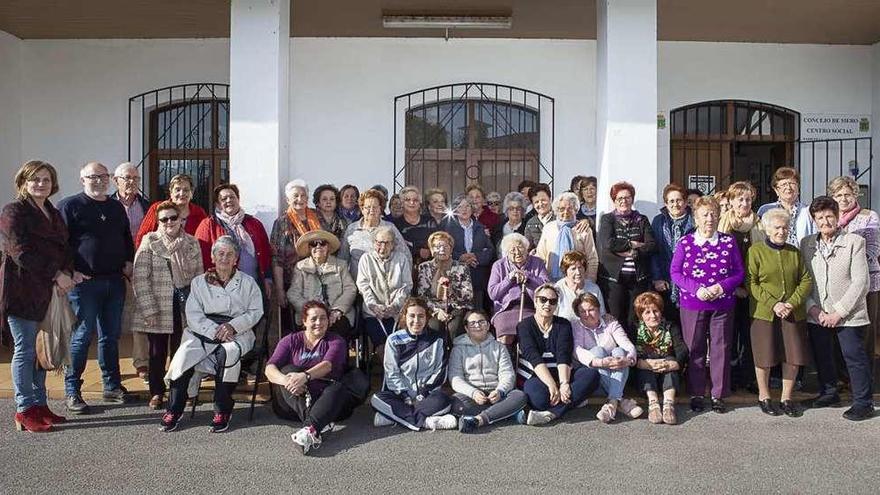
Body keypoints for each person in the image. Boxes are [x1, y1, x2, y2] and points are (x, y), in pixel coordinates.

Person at [160, 236, 264, 433]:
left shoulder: (248, 282)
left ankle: (222, 409)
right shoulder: (199, 282)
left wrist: (232, 327)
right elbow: (193, 314)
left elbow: (255, 312)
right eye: (220, 253)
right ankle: (174, 409)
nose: (224, 258)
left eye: (229, 254)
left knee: (228, 353)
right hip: (203, 330)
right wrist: (214, 331)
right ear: (212, 257)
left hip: (237, 332)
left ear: (236, 259)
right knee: (182, 357)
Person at [1, 160, 75, 431]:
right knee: (25, 350)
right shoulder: (14, 212)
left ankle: (40, 405)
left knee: (40, 351)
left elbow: (65, 247)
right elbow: (19, 252)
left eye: (45, 179)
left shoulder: (53, 213)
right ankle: (24, 409)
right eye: (35, 179)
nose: (41, 184)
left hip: (47, 291)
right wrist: (57, 274)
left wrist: (67, 272)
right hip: (21, 291)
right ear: (23, 182)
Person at [58, 162, 135, 414]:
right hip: (84, 284)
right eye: (93, 177)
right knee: (81, 337)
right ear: (82, 180)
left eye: (103, 176)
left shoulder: (114, 207)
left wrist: (127, 260)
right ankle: (72, 390)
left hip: (114, 281)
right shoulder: (70, 206)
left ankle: (111, 385)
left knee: (110, 336)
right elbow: (59, 245)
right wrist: (70, 271)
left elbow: (125, 237)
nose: (100, 180)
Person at [670, 196, 745, 413]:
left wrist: (721, 288)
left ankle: (718, 395)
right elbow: (675, 272)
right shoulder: (685, 242)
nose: (709, 219)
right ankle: (696, 393)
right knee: (695, 348)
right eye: (705, 214)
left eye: (713, 214)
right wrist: (697, 289)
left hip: (722, 303)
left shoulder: (728, 241)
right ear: (696, 218)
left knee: (721, 348)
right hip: (693, 304)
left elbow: (739, 272)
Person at [802, 196, 875, 421]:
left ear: (837, 217)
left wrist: (839, 312)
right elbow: (803, 279)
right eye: (820, 217)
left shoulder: (854, 241)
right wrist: (813, 309)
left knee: (853, 357)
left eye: (829, 216)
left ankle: (864, 402)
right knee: (823, 356)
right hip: (818, 313)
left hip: (849, 314)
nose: (825, 221)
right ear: (814, 220)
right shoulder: (807, 243)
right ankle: (829, 393)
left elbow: (861, 282)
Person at [266, 301, 367, 455]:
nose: (318, 323)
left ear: (328, 321)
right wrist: (287, 380)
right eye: (313, 319)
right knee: (287, 370)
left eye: (323, 318)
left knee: (339, 387)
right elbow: (270, 368)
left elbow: (327, 365)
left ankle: (309, 429)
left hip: (329, 402)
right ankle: (317, 425)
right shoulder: (290, 340)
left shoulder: (336, 341)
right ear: (304, 321)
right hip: (295, 403)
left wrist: (305, 376)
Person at [132, 201, 204, 410]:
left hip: (184, 304)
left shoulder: (192, 243)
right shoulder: (149, 241)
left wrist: (198, 307)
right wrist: (149, 308)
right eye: (164, 219)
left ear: (181, 219)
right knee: (157, 353)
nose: (169, 222)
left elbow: (198, 277)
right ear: (158, 222)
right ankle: (156, 392)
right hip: (158, 305)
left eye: (173, 217)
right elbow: (140, 278)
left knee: (182, 351)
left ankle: (178, 390)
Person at [746, 208, 812, 417]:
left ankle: (786, 398)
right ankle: (764, 396)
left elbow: (805, 280)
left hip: (793, 312)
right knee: (764, 356)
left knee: (791, 356)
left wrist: (791, 303)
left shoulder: (794, 252)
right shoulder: (755, 251)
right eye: (777, 227)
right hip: (764, 312)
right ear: (767, 229)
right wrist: (774, 304)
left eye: (785, 227)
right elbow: (751, 283)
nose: (782, 231)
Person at [516, 284, 599, 426]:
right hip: (535, 376)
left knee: (591, 375)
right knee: (540, 399)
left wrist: (564, 384)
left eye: (552, 301)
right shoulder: (524, 325)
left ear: (556, 305)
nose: (547, 304)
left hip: (561, 375)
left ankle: (553, 413)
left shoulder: (563, 324)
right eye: (543, 300)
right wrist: (551, 385)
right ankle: (572, 400)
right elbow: (533, 357)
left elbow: (563, 355)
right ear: (535, 301)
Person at [371, 297, 456, 431]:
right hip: (401, 397)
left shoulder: (438, 339)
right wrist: (405, 396)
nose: (416, 321)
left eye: (421, 316)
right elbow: (391, 373)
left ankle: (393, 417)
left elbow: (440, 372)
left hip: (428, 396)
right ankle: (426, 422)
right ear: (405, 316)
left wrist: (423, 393)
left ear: (427, 318)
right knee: (376, 398)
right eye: (412, 316)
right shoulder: (394, 340)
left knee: (443, 400)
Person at [828, 175, 880, 365]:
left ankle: (864, 375)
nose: (843, 199)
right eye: (839, 195)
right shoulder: (829, 217)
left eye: (848, 194)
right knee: (840, 329)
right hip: (838, 283)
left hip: (867, 282)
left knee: (865, 330)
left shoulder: (868, 216)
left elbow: (873, 249)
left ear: (855, 194)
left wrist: (846, 262)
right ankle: (843, 376)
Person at [718, 181, 765, 392]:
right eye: (739, 199)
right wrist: (733, 287)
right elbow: (718, 261)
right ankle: (730, 377)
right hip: (728, 288)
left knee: (750, 335)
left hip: (753, 288)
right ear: (732, 201)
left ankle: (749, 377)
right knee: (728, 334)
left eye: (747, 199)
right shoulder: (722, 224)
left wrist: (749, 287)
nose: (744, 203)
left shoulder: (760, 224)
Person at [449, 310, 528, 433]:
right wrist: (473, 392)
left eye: (481, 322)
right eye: (472, 323)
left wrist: (500, 391)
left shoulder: (499, 347)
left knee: (519, 396)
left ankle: (479, 419)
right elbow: (455, 378)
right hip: (472, 396)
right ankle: (507, 414)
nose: (477, 325)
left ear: (488, 325)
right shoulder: (458, 349)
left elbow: (507, 373)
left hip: (496, 394)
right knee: (456, 403)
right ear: (466, 328)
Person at [571, 293, 642, 423]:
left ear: (599, 309)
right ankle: (619, 400)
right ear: (578, 313)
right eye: (582, 311)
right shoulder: (576, 326)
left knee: (620, 351)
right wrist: (599, 362)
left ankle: (612, 403)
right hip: (592, 377)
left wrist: (628, 359)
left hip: (613, 373)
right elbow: (577, 350)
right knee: (598, 350)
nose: (587, 314)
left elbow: (627, 344)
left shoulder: (610, 322)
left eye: (591, 309)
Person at [111, 162, 152, 382]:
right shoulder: (105, 205)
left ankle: (141, 363)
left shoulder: (148, 206)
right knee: (111, 320)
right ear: (115, 181)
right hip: (111, 269)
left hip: (140, 268)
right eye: (127, 178)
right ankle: (111, 368)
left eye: (135, 178)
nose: (132, 182)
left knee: (139, 317)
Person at [597, 181, 655, 332]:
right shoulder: (607, 219)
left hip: (638, 279)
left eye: (627, 197)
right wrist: (633, 244)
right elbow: (608, 243)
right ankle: (618, 353)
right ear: (614, 200)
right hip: (614, 280)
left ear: (632, 199)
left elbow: (651, 245)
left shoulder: (642, 220)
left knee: (634, 318)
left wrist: (633, 252)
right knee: (615, 318)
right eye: (619, 198)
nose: (624, 201)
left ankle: (633, 353)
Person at [194, 184, 271, 292]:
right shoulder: (208, 225)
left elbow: (265, 251)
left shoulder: (254, 223)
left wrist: (268, 279)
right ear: (218, 204)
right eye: (224, 199)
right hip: (222, 287)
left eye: (232, 197)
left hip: (254, 285)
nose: (229, 200)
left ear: (238, 199)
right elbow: (201, 257)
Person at [269, 180, 321, 334]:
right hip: (291, 282)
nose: (300, 199)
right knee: (294, 327)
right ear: (287, 200)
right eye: (295, 196)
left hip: (317, 280)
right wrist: (279, 289)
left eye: (303, 195)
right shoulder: (281, 223)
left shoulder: (317, 217)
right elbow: (276, 258)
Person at [487, 233, 549, 358]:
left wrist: (529, 277)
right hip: (506, 310)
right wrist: (508, 280)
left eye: (520, 247)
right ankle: (506, 365)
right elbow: (493, 293)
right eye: (512, 250)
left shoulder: (537, 263)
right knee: (505, 335)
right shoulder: (499, 265)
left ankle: (530, 368)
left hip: (531, 308)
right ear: (506, 253)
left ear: (527, 248)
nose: (517, 252)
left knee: (530, 336)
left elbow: (546, 287)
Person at [288, 230, 356, 341]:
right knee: (311, 330)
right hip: (310, 315)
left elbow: (350, 289)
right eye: (314, 244)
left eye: (322, 243)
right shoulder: (300, 267)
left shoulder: (340, 265)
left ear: (328, 247)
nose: (318, 246)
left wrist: (337, 310)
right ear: (309, 248)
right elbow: (293, 293)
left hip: (337, 315)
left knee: (338, 334)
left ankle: (336, 357)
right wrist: (309, 311)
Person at [632, 292, 688, 425]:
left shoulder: (671, 327)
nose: (653, 315)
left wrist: (669, 364)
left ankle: (669, 405)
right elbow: (630, 353)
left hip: (666, 367)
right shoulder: (634, 328)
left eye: (655, 311)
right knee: (645, 368)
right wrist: (645, 364)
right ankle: (654, 405)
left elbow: (682, 350)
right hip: (645, 370)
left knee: (671, 366)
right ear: (641, 315)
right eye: (647, 312)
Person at [357, 227, 413, 350]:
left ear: (393, 244)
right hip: (373, 312)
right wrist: (374, 306)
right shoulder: (366, 259)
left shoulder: (401, 259)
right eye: (379, 243)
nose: (383, 247)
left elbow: (406, 286)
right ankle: (388, 369)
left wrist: (394, 306)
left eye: (387, 243)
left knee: (401, 344)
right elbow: (363, 286)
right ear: (374, 243)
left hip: (397, 312)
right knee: (381, 345)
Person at [416, 231, 474, 342]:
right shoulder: (425, 267)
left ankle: (455, 357)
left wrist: (450, 288)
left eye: (445, 246)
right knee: (434, 326)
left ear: (451, 249)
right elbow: (422, 296)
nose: (442, 249)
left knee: (454, 328)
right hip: (433, 309)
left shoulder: (461, 267)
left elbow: (468, 295)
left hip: (457, 308)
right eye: (437, 246)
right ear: (432, 250)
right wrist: (437, 311)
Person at [651, 183, 695, 323]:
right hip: (665, 281)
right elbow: (654, 252)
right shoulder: (659, 221)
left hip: (690, 281)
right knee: (669, 324)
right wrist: (657, 277)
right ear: (666, 203)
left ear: (685, 201)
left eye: (679, 200)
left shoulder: (695, 221)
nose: (675, 204)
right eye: (671, 201)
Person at [338, 189, 406, 279]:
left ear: (380, 209)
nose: (371, 210)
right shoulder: (352, 229)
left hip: (385, 286)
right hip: (357, 286)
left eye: (375, 207)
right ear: (362, 209)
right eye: (368, 207)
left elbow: (404, 255)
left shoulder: (390, 228)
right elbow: (343, 259)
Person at [536, 191, 599, 284]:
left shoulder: (584, 229)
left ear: (576, 210)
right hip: (551, 281)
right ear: (556, 210)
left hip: (578, 281)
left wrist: (589, 282)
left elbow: (592, 259)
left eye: (570, 208)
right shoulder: (548, 228)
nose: (566, 212)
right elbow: (540, 256)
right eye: (561, 209)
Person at [445, 194, 494, 310]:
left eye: (467, 206)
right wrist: (460, 258)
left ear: (472, 209)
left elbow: (490, 250)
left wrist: (475, 257)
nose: (464, 210)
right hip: (456, 276)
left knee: (477, 310)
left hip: (476, 276)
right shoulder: (448, 227)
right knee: (458, 312)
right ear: (456, 209)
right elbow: (445, 249)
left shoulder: (480, 228)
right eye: (460, 207)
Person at [135, 174, 208, 249]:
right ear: (171, 192)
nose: (182, 193)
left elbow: (205, 241)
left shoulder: (199, 213)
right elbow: (142, 238)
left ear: (191, 193)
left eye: (186, 190)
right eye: (177, 190)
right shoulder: (157, 208)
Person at [756, 166, 816, 246]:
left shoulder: (808, 210)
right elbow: (759, 236)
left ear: (798, 188)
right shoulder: (766, 210)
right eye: (784, 184)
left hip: (802, 256)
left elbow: (815, 237)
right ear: (776, 190)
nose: (788, 187)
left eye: (792, 183)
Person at [393, 185, 438, 267]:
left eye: (415, 200)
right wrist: (417, 250)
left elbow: (437, 240)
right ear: (402, 203)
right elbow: (397, 246)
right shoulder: (396, 224)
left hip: (430, 265)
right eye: (407, 200)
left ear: (420, 203)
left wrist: (428, 250)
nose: (412, 203)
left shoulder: (429, 221)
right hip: (405, 266)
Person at [554, 251, 605, 322]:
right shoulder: (558, 289)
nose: (578, 272)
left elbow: (602, 315)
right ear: (566, 271)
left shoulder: (594, 288)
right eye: (573, 269)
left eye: (580, 267)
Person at [523, 183, 554, 249]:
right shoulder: (530, 223)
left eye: (543, 200)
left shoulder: (559, 218)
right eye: (536, 202)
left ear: (550, 199)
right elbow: (528, 247)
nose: (540, 204)